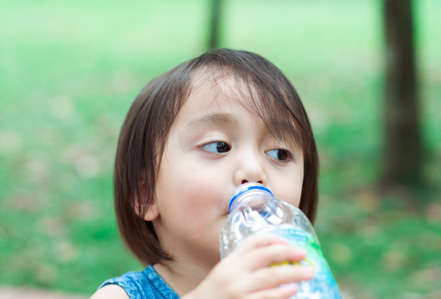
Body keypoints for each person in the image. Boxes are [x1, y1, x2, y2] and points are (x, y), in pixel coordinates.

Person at [91, 48, 319, 299]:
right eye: (218, 146)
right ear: (146, 193)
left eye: (280, 153)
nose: (254, 169)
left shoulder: (302, 288)